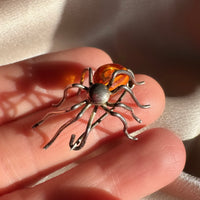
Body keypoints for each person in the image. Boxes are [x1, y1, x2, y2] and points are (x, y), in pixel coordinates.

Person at [0, 47, 185, 200]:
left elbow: (123, 103)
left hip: (108, 87)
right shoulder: (87, 89)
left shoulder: (114, 93)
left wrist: (135, 107)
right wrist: (65, 98)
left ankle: (52, 136)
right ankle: (48, 133)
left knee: (91, 120)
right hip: (98, 86)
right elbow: (76, 86)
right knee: (69, 114)